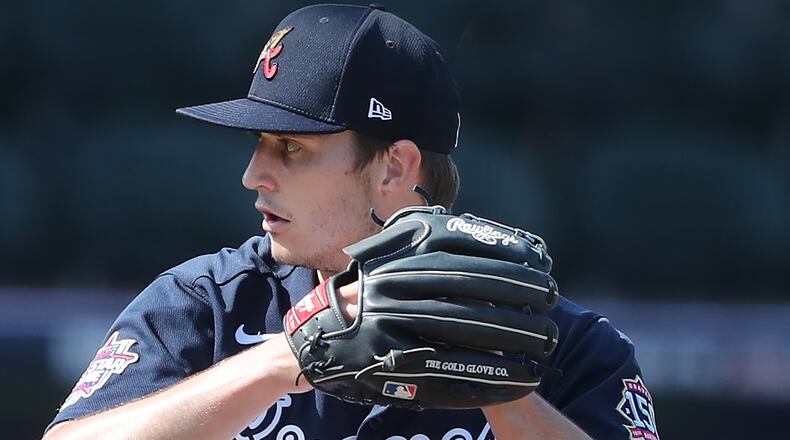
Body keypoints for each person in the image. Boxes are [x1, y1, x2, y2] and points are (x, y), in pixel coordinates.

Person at [43, 4, 659, 440]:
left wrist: (505, 394)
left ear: (394, 167)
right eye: (259, 143)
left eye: (292, 148)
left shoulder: (557, 342)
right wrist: (286, 359)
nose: (252, 175)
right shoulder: (206, 306)